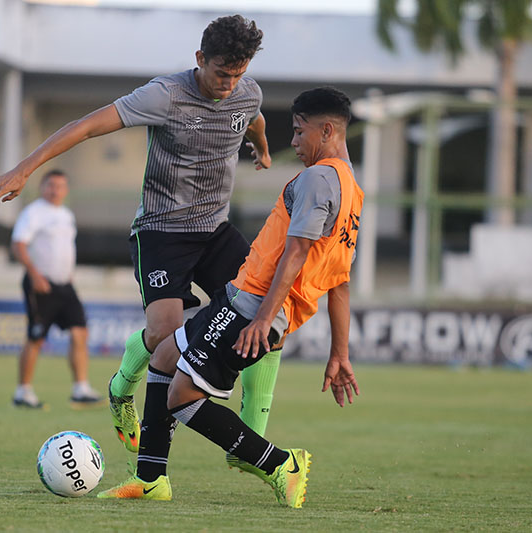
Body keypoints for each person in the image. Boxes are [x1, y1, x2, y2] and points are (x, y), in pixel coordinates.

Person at [0, 15, 283, 461]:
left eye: (238, 75)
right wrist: (23, 169)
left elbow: (253, 117)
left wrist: (260, 147)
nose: (229, 84)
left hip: (215, 230)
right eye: (222, 73)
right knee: (166, 333)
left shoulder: (247, 91)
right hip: (162, 232)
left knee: (273, 316)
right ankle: (121, 388)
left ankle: (250, 436)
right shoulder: (164, 95)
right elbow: (87, 125)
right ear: (199, 59)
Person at [97, 87, 363, 508]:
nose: (293, 142)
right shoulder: (351, 191)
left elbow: (296, 253)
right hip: (242, 300)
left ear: (326, 130)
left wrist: (262, 320)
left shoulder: (318, 178)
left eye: (298, 132)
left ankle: (280, 464)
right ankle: (150, 478)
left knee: (182, 398)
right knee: (165, 356)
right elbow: (341, 282)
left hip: (253, 307)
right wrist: (341, 353)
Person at [10, 169, 101, 408]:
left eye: (60, 186)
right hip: (41, 283)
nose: (55, 190)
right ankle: (23, 392)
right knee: (36, 337)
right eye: (51, 185)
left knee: (80, 332)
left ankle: (80, 389)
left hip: (66, 285)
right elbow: (18, 245)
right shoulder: (33, 212)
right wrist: (34, 274)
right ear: (42, 187)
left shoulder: (66, 215)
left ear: (66, 190)